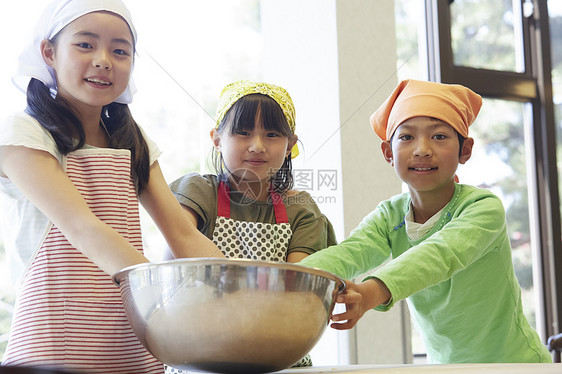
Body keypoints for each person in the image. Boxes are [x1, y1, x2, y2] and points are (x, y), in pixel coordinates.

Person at [0, 1, 223, 372]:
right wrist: (162, 299)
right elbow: (82, 227)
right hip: (56, 338)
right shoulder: (24, 134)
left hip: (132, 337)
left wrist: (238, 289)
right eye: (85, 45)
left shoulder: (133, 140)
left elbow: (182, 232)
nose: (104, 60)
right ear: (49, 52)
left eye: (120, 51)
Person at [298, 79, 552, 364]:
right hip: (444, 368)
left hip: (515, 365)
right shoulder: (389, 216)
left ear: (465, 150)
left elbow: (440, 255)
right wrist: (291, 277)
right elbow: (350, 251)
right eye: (406, 137)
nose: (422, 149)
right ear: (388, 153)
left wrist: (372, 291)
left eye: (439, 136)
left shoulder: (483, 207)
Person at [165, 80, 337, 371]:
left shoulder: (301, 210)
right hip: (200, 356)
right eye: (243, 133)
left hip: (280, 357)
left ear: (290, 144)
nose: (257, 146)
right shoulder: (197, 192)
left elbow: (298, 295)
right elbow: (176, 265)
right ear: (217, 139)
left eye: (271, 134)